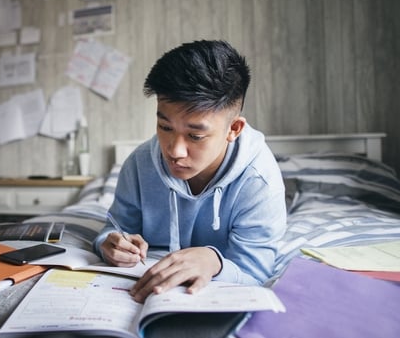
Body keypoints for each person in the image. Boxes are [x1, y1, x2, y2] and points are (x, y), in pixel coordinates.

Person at [92, 40, 286, 303]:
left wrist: (214, 261)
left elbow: (255, 270)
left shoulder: (259, 181)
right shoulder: (138, 164)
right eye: (165, 127)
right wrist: (109, 244)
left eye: (195, 135)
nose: (175, 150)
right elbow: (114, 229)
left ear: (234, 129)